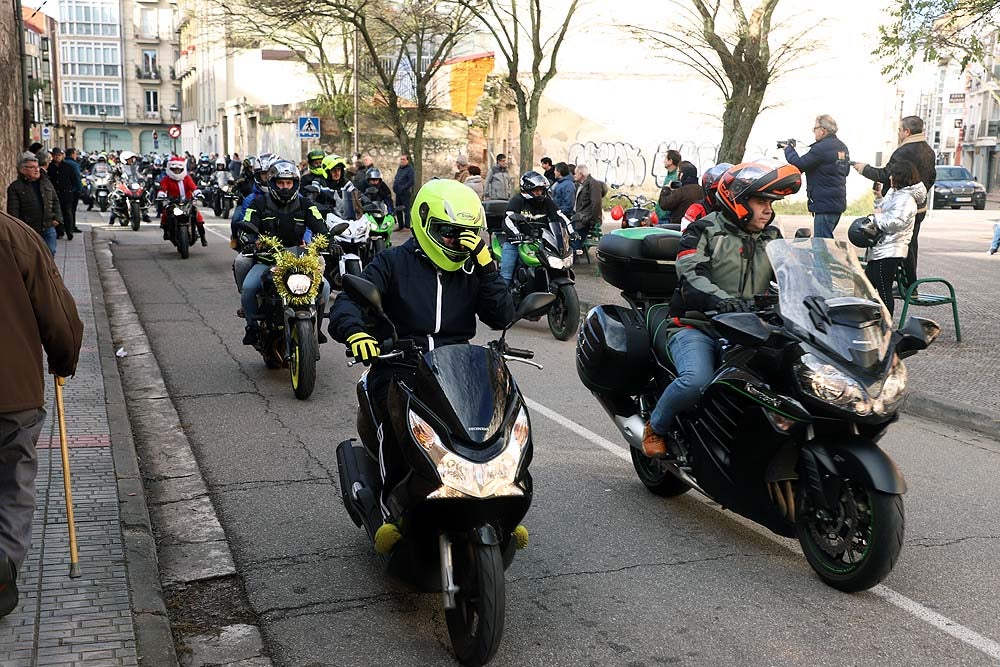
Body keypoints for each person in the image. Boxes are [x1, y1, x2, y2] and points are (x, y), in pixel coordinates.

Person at [328, 178, 514, 527]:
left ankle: (499, 501)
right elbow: (349, 303)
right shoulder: (392, 263)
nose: (458, 242)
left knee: (495, 427)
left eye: (467, 234)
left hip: (456, 372)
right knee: (392, 424)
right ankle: (387, 511)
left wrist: (487, 265)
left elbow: (501, 315)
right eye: (449, 232)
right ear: (424, 222)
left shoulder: (473, 269)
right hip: (398, 367)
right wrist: (356, 333)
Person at [643, 162, 801, 457]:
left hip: (750, 327)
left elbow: (794, 277)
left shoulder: (772, 238)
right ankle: (656, 426)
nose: (768, 210)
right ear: (737, 201)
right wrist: (721, 301)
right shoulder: (703, 229)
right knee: (696, 380)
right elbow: (691, 275)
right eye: (761, 201)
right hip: (697, 324)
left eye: (771, 203)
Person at [0, 209, 83, 618]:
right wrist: (64, 359)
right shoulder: (15, 235)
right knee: (13, 484)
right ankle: (2, 568)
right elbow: (57, 312)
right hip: (11, 392)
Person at [238, 160, 331, 345]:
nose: (285, 187)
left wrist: (331, 242)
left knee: (325, 287)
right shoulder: (258, 203)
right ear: (272, 183)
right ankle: (252, 326)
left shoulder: (306, 204)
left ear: (295, 184)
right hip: (267, 258)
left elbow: (321, 227)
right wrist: (248, 242)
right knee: (249, 288)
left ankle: (316, 327)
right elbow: (247, 227)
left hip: (299, 259)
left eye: (289, 183)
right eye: (280, 183)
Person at [853, 115, 936, 283]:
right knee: (910, 244)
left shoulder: (905, 151)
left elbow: (886, 175)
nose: (898, 133)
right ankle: (907, 284)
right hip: (919, 206)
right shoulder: (929, 150)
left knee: (895, 245)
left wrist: (864, 169)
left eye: (899, 129)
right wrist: (919, 193)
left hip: (900, 206)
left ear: (907, 131)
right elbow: (932, 177)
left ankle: (898, 283)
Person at [860, 159, 926, 315]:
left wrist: (876, 219)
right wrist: (877, 198)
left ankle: (886, 326)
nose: (889, 178)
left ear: (900, 177)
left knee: (884, 290)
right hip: (882, 248)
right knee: (864, 287)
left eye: (892, 175)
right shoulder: (894, 193)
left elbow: (895, 223)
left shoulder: (907, 199)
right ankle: (868, 319)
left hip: (891, 250)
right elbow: (884, 211)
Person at [781, 114, 850, 238]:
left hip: (824, 205)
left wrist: (788, 150)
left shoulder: (821, 148)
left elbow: (799, 165)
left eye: (815, 129)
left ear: (823, 130)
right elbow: (846, 171)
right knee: (826, 242)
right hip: (836, 204)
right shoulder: (842, 147)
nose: (814, 132)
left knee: (821, 245)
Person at [500, 171, 575, 282]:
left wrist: (571, 232)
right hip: (516, 242)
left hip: (540, 242)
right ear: (527, 190)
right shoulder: (518, 200)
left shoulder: (547, 202)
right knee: (506, 276)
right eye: (536, 190)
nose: (539, 193)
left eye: (541, 190)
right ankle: (502, 298)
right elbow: (508, 218)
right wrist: (516, 234)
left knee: (557, 265)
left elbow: (560, 216)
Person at [7, 153, 63, 256]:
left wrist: (57, 218)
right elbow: (13, 210)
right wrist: (18, 227)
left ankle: (47, 272)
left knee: (50, 252)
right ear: (23, 170)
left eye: (37, 167)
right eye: (32, 167)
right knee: (33, 255)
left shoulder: (46, 182)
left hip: (48, 225)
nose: (37, 170)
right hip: (29, 228)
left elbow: (55, 201)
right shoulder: (16, 187)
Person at [156, 156, 206, 246]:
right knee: (165, 215)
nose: (176, 171)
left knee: (197, 216)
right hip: (173, 202)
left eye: (179, 169)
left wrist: (198, 193)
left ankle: (203, 237)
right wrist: (161, 194)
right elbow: (162, 188)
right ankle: (167, 232)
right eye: (174, 169)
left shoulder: (187, 178)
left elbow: (193, 187)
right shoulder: (167, 179)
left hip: (187, 201)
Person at [681, 162, 732, 231]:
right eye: (724, 191)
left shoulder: (734, 213)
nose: (727, 195)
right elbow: (686, 236)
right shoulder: (697, 209)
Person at [571, 164, 605, 252]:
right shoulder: (581, 184)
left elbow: (596, 203)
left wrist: (590, 219)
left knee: (575, 243)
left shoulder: (593, 184)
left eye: (575, 173)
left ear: (581, 174)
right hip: (579, 217)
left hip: (583, 219)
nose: (574, 175)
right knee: (573, 240)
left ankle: (572, 263)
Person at [48, 148, 80, 241]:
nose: (57, 157)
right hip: (55, 194)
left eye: (59, 155)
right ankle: (59, 232)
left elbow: (74, 179)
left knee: (67, 213)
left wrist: (72, 190)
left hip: (66, 194)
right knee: (57, 214)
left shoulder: (68, 167)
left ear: (62, 156)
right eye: (55, 155)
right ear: (53, 156)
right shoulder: (50, 167)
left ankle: (69, 232)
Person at [658, 161, 703, 226]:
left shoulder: (682, 191)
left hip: (678, 228)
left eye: (678, 172)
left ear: (682, 174)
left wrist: (666, 189)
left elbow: (664, 204)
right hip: (695, 227)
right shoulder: (701, 190)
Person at [655, 149, 682, 220]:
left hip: (666, 217)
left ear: (670, 161)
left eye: (665, 159)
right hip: (661, 215)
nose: (664, 161)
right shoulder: (669, 175)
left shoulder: (675, 178)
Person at [392, 154, 414, 229]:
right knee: (398, 209)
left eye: (403, 159)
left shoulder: (410, 169)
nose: (402, 161)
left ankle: (407, 226)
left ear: (407, 160)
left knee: (406, 209)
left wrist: (403, 188)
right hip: (398, 192)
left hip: (405, 193)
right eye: (401, 159)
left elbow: (411, 181)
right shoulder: (400, 168)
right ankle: (400, 225)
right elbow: (397, 178)